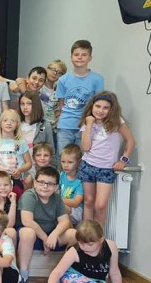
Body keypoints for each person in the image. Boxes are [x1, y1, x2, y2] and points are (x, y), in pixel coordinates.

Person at [41, 220, 131, 283]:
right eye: (81, 243)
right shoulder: (74, 251)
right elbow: (57, 272)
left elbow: (114, 272)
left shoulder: (111, 246)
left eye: (90, 244)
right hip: (71, 279)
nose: (84, 247)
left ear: (101, 240)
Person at [17, 166, 78, 283]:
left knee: (73, 234)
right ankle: (23, 274)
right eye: (41, 182)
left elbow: (65, 221)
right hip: (31, 238)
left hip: (51, 237)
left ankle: (66, 274)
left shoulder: (56, 198)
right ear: (35, 183)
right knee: (28, 232)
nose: (45, 186)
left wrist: (54, 235)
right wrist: (45, 239)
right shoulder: (29, 195)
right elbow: (27, 220)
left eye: (50, 184)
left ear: (56, 187)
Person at [79, 91, 135, 226]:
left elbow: (130, 141)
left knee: (100, 205)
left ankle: (98, 235)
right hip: (88, 165)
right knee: (88, 201)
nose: (100, 110)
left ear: (111, 109)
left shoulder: (117, 122)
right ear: (92, 106)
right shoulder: (87, 122)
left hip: (106, 168)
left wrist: (123, 160)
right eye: (98, 106)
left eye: (105, 108)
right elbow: (85, 147)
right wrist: (89, 125)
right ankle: (87, 234)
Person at [56, 40, 105, 152]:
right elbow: (61, 103)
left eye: (84, 55)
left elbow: (99, 103)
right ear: (71, 57)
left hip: (85, 125)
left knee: (83, 157)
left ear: (90, 58)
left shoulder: (98, 79)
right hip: (65, 125)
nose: (80, 57)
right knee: (64, 157)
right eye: (76, 54)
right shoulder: (63, 79)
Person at [0, 109, 32, 189]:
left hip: (16, 179)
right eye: (5, 120)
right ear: (0, 123)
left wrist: (20, 170)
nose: (9, 123)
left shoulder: (21, 142)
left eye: (13, 121)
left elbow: (29, 163)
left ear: (17, 124)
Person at [59, 144, 84, 224]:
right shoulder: (61, 175)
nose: (65, 165)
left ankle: (71, 230)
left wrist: (57, 200)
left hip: (76, 210)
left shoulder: (80, 180)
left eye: (70, 162)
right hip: (62, 206)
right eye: (63, 162)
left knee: (60, 208)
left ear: (79, 162)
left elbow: (76, 202)